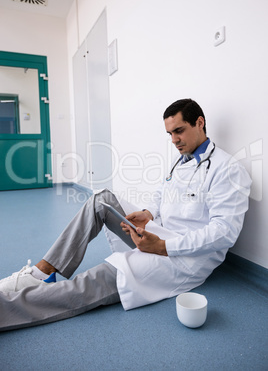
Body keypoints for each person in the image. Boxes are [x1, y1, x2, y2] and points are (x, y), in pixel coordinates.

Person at [0, 98, 251, 331]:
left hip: (184, 259)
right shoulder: (181, 160)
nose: (174, 140)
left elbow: (224, 233)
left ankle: (5, 309)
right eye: (170, 134)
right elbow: (162, 193)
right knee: (102, 200)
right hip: (157, 235)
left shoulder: (228, 169)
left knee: (91, 282)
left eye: (179, 131)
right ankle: (42, 273)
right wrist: (148, 213)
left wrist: (164, 246)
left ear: (200, 122)